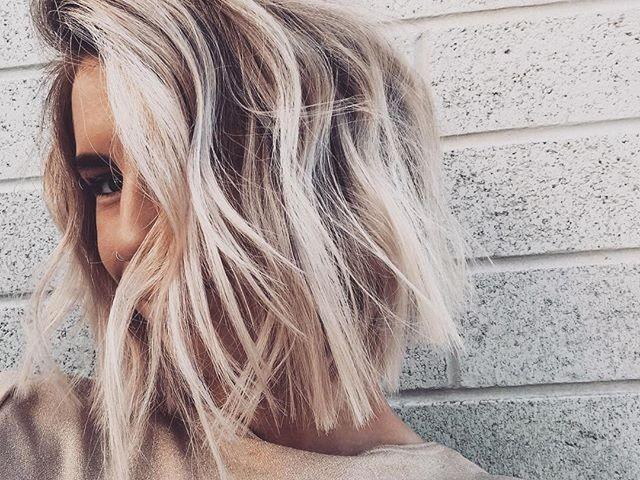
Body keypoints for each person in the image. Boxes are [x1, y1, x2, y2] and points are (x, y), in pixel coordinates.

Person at [0, 0, 521, 479]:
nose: (127, 236)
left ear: (331, 196)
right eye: (105, 184)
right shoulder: (35, 435)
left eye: (184, 171)